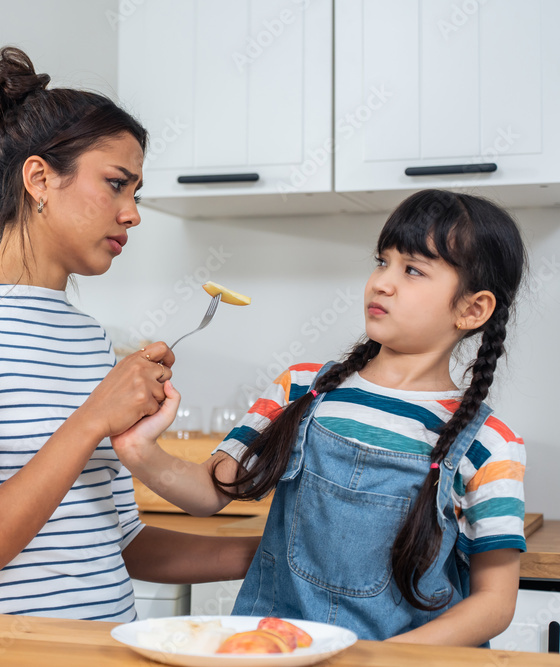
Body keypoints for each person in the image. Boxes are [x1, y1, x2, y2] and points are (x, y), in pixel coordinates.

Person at [0, 46, 259, 621]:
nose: (133, 212)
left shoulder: (88, 338)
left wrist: (268, 555)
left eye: (135, 192)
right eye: (117, 184)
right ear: (39, 179)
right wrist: (94, 416)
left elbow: (119, 541)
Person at [113, 189, 527, 645]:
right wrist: (139, 450)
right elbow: (209, 492)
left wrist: (377, 660)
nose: (382, 282)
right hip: (273, 650)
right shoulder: (300, 388)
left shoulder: (490, 443)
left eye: (412, 270)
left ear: (473, 309)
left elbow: (494, 603)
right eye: (382, 261)